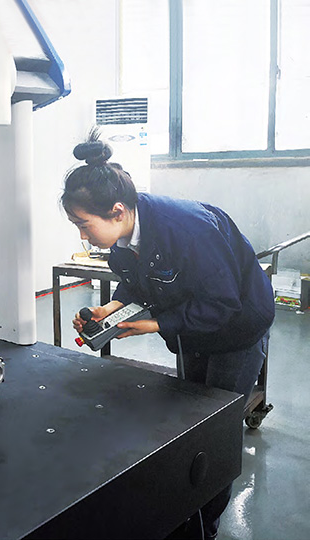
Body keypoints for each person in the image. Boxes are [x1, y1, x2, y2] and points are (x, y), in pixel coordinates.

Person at [62, 131, 275, 539]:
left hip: (238, 328)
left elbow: (223, 303)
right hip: (193, 330)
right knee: (189, 423)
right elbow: (137, 280)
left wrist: (157, 324)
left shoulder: (188, 229)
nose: (83, 236)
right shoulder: (125, 236)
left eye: (84, 225)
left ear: (117, 211)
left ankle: (205, 526)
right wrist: (109, 309)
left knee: (215, 431)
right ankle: (184, 513)